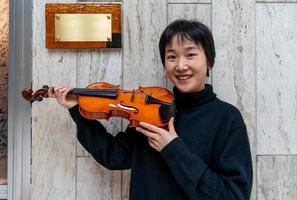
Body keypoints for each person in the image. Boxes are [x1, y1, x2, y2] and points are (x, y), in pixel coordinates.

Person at [50, 19, 253, 200]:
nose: (181, 66)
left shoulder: (227, 118)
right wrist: (78, 110)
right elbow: (114, 156)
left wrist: (172, 148)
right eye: (172, 57)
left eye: (190, 54)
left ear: (209, 60)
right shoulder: (150, 110)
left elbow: (233, 195)